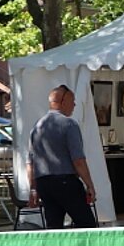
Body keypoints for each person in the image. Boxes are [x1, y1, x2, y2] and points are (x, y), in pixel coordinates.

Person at [26, 85, 98, 229]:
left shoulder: (37, 126)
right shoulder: (69, 124)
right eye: (72, 101)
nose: (74, 105)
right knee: (87, 225)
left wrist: (33, 188)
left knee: (54, 228)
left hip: (44, 183)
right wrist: (89, 184)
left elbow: (30, 163)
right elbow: (78, 160)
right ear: (62, 101)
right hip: (65, 181)